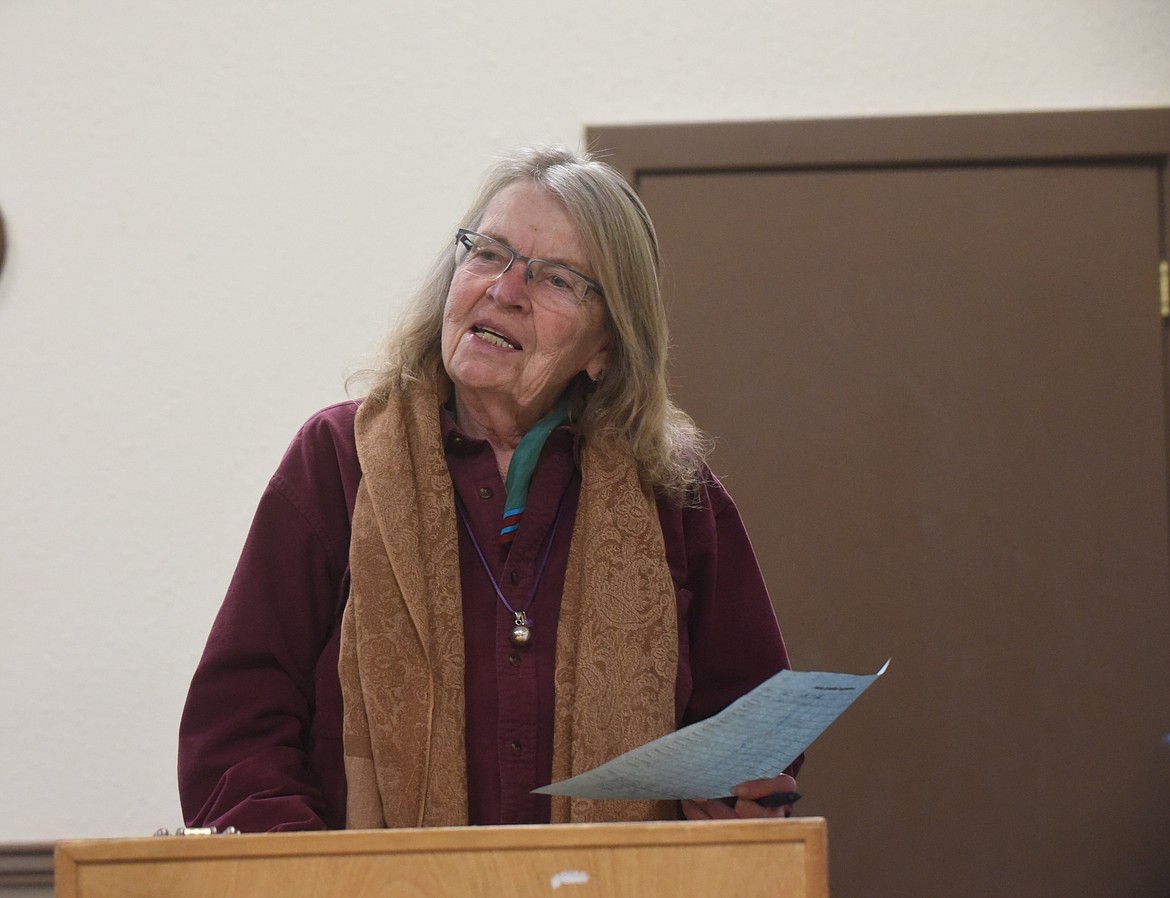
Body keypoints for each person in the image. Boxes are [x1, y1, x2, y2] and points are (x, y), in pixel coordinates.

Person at [178, 145, 799, 832]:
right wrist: (324, 877)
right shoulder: (337, 463)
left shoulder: (673, 494)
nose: (505, 291)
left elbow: (751, 735)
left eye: (557, 279)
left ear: (606, 347)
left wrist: (731, 800)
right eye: (488, 253)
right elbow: (236, 734)